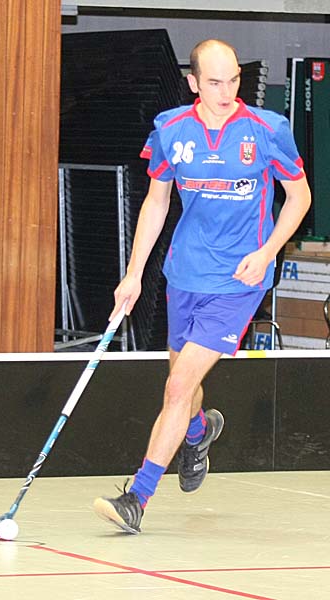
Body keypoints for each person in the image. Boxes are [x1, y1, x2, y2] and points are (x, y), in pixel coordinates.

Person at [93, 39, 311, 534]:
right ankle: (199, 428)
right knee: (183, 386)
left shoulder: (267, 130)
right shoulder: (171, 130)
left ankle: (137, 497)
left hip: (239, 280)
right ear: (192, 83)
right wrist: (133, 273)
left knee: (177, 386)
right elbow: (156, 202)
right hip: (184, 273)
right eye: (214, 82)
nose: (227, 91)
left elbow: (299, 197)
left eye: (233, 80)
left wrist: (267, 252)